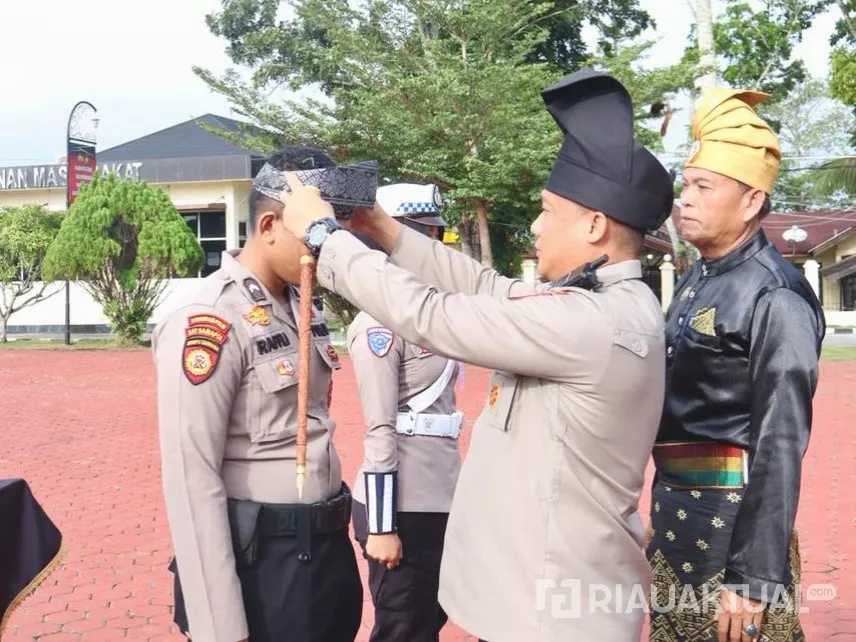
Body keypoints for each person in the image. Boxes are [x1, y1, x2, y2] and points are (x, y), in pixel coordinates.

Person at [277, 68, 677, 641]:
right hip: (545, 597)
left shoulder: (591, 320)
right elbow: (487, 287)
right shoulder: (605, 300)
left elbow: (435, 316)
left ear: (595, 225)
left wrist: (325, 236)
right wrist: (382, 229)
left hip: (550, 614)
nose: (535, 227)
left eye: (547, 211)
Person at [152, 146, 374, 642]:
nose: (323, 248)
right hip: (262, 564)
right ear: (269, 225)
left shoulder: (303, 303)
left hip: (325, 551)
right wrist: (220, 627)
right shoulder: (208, 320)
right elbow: (192, 481)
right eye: (312, 232)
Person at [646, 88, 826, 642]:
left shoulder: (776, 296)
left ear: (751, 202)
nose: (685, 199)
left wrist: (753, 578)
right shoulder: (701, 275)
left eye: (704, 186)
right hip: (674, 521)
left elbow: (781, 439)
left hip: (732, 536)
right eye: (685, 186)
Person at [348, 182, 462, 642]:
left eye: (431, 235)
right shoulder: (378, 323)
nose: (427, 245)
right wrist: (382, 526)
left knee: (427, 623)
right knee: (402, 629)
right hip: (401, 506)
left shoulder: (433, 314)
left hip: (440, 498)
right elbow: (379, 427)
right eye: (415, 233)